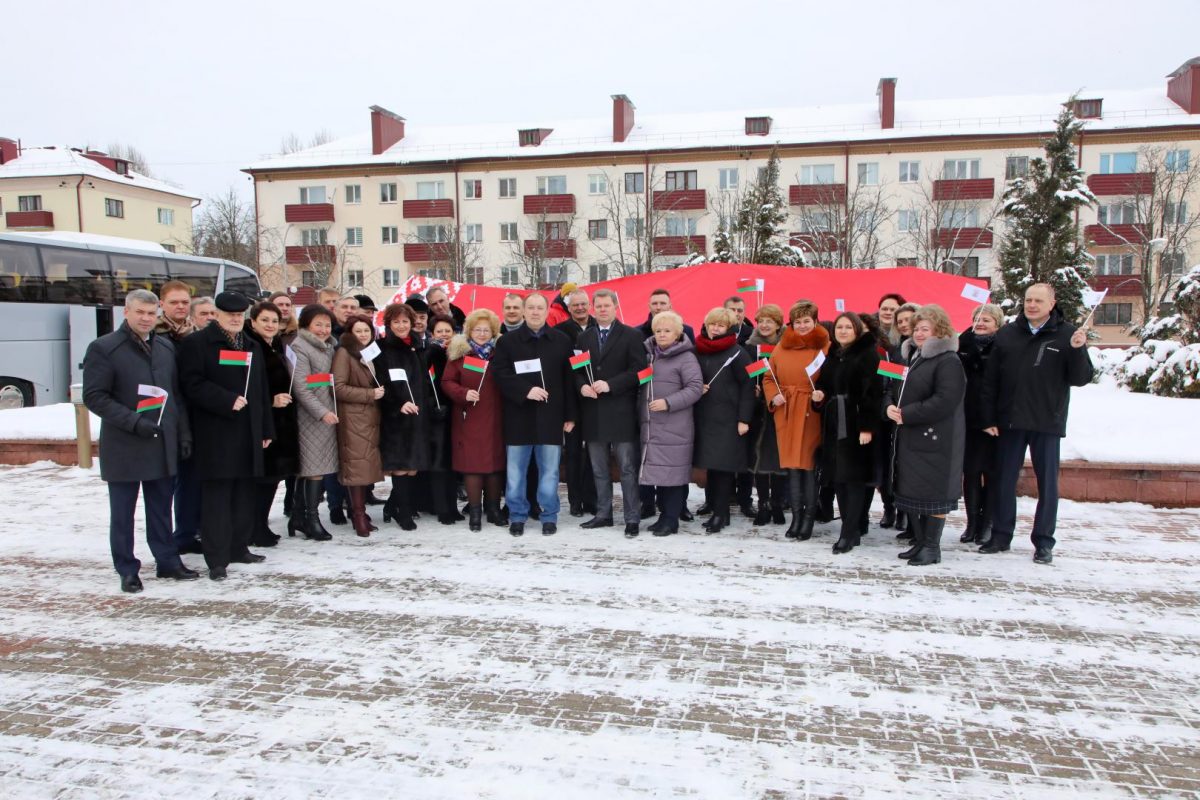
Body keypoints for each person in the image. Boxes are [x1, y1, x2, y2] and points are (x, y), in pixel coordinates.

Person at [83, 289, 196, 592]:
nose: (146, 319)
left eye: (151, 313)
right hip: (126, 444)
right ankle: (127, 568)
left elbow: (176, 395)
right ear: (126, 313)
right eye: (140, 313)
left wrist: (183, 433)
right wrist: (134, 422)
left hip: (162, 443)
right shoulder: (104, 348)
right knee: (123, 512)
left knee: (161, 507)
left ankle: (167, 560)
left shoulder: (164, 347)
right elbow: (94, 396)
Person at [980, 283, 1093, 565]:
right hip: (1010, 421)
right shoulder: (1007, 334)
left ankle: (1043, 542)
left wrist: (1079, 350)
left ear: (1051, 303)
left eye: (1038, 301)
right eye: (1028, 300)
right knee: (1004, 481)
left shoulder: (1067, 334)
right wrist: (989, 418)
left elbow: (1080, 378)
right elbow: (990, 380)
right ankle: (1001, 535)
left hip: (1046, 421)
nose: (1031, 305)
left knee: (1048, 486)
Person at [176, 291, 275, 580]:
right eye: (229, 314)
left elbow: (260, 391)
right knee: (217, 498)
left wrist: (266, 428)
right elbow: (190, 384)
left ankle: (238, 547)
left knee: (243, 494)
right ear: (216, 314)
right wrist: (225, 399)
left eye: (239, 315)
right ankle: (216, 558)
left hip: (248, 433)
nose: (234, 319)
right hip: (216, 433)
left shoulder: (251, 345)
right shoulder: (197, 344)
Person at [491, 293, 578, 536]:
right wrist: (526, 390)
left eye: (540, 308)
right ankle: (517, 515)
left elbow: (569, 380)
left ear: (547, 310)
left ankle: (548, 515)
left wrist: (571, 415)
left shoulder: (561, 341)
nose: (535, 312)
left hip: (551, 418)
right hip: (518, 417)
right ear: (524, 311)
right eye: (531, 308)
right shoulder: (508, 342)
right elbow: (500, 374)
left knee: (549, 472)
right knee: (516, 473)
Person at [886, 304, 967, 566]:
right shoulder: (915, 356)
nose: (919, 334)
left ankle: (932, 547)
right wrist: (890, 405)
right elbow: (898, 387)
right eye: (917, 329)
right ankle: (920, 542)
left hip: (936, 439)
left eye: (926, 329)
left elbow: (945, 400)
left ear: (939, 330)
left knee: (935, 495)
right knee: (914, 492)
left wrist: (908, 413)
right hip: (913, 436)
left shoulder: (948, 360)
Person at [574, 289, 647, 537]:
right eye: (599, 306)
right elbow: (577, 369)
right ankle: (603, 514)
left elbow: (639, 371)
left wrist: (611, 385)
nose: (602, 309)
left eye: (607, 305)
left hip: (620, 411)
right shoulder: (584, 338)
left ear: (615, 307)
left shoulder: (631, 335)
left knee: (627, 468)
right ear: (593, 308)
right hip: (593, 412)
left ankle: (632, 518)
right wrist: (581, 385)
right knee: (598, 469)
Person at [811, 312, 881, 554]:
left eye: (848, 327)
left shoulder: (868, 354)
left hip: (856, 424)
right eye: (839, 327)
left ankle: (849, 532)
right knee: (839, 478)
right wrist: (819, 394)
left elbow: (872, 393)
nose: (842, 331)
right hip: (834, 425)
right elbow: (826, 384)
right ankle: (850, 528)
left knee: (853, 479)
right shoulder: (834, 354)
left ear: (857, 330)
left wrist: (866, 427)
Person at [762, 300, 830, 540]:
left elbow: (831, 378)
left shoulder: (824, 347)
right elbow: (769, 378)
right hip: (787, 410)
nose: (802, 326)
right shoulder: (782, 346)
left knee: (808, 467)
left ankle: (809, 519)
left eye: (807, 321)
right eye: (798, 322)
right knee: (792, 466)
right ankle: (796, 518)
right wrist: (774, 397)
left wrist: (821, 394)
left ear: (815, 322)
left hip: (811, 410)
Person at [639, 310, 703, 536]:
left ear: (677, 334)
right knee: (659, 475)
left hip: (675, 426)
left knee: (673, 477)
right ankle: (662, 517)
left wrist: (668, 402)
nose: (662, 335)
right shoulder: (649, 355)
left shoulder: (686, 357)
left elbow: (695, 388)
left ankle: (671, 520)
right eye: (658, 331)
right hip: (651, 427)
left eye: (667, 331)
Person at [442, 309, 506, 530]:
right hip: (469, 417)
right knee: (473, 466)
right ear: (469, 331)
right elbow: (447, 382)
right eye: (477, 329)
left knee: (495, 465)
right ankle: (475, 512)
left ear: (493, 332)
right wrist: (463, 393)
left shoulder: (500, 353)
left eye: (486, 330)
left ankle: (494, 510)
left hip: (497, 418)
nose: (481, 333)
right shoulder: (460, 354)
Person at [692, 308, 755, 534]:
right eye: (712, 324)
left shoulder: (737, 352)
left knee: (724, 468)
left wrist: (744, 419)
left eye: (720, 325)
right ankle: (715, 508)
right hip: (704, 417)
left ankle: (721, 513)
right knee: (710, 466)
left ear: (729, 328)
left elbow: (749, 386)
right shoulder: (697, 350)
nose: (715, 328)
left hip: (728, 419)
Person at [243, 302, 299, 548]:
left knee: (271, 479)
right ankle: (253, 528)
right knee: (260, 480)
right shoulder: (251, 347)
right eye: (264, 320)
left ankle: (260, 525)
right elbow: (246, 388)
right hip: (262, 422)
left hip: (280, 423)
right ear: (253, 321)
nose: (270, 325)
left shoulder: (274, 346)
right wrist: (270, 401)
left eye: (274, 321)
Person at [378, 303, 431, 530]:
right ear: (389, 324)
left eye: (405, 321)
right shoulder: (380, 348)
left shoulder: (417, 347)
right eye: (396, 322)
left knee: (413, 467)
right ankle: (404, 512)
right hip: (396, 415)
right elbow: (379, 381)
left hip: (418, 413)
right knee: (400, 465)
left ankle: (393, 505)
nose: (401, 326)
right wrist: (399, 403)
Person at [332, 314, 385, 537]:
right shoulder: (345, 353)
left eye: (366, 330)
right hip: (353, 418)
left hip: (368, 419)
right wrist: (369, 394)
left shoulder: (368, 352)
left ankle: (360, 514)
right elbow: (338, 387)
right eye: (358, 331)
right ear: (350, 334)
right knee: (356, 469)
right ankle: (358, 515)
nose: (363, 334)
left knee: (364, 469)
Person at [289, 304, 338, 542]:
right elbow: (301, 386)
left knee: (313, 470)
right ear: (306, 324)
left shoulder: (328, 346)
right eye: (318, 324)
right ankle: (311, 519)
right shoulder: (300, 347)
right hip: (311, 417)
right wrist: (322, 412)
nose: (323, 329)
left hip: (327, 414)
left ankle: (298, 517)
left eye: (327, 324)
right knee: (314, 470)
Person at [958, 304, 1003, 547]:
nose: (981, 323)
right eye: (978, 319)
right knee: (971, 473)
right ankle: (972, 522)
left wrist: (991, 419)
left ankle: (988, 523)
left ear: (997, 323)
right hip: (968, 418)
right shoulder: (963, 344)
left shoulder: (1003, 347)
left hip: (994, 422)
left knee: (992, 474)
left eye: (987, 319)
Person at [555, 288, 598, 517]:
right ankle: (575, 501)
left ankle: (591, 499)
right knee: (572, 454)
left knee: (594, 453)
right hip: (571, 401)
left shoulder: (599, 327)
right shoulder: (559, 332)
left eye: (583, 304)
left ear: (589, 305)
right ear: (568, 307)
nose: (580, 308)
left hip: (595, 401)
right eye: (575, 305)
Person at [745, 304, 786, 526]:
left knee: (779, 460)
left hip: (781, 407)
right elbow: (746, 374)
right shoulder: (750, 347)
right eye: (761, 321)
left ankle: (777, 503)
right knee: (759, 459)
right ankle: (763, 504)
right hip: (758, 410)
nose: (765, 325)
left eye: (769, 321)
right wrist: (753, 387)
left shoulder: (787, 346)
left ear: (778, 324)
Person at [422, 314, 460, 524]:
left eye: (448, 331)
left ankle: (452, 506)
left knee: (453, 463)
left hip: (455, 412)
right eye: (439, 331)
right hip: (436, 413)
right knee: (438, 464)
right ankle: (441, 508)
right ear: (432, 333)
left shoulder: (457, 353)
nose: (444, 335)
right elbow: (424, 383)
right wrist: (432, 405)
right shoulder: (429, 353)